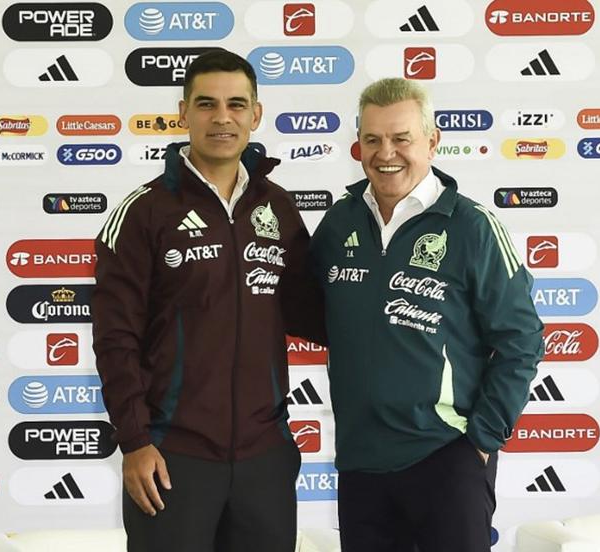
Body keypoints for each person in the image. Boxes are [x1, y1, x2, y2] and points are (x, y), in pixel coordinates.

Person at [92, 50, 319, 552]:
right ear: (183, 112)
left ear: (255, 115)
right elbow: (115, 339)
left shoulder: (278, 206)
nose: (223, 117)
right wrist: (134, 442)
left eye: (237, 104)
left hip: (264, 459)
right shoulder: (142, 212)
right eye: (207, 104)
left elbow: (316, 313)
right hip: (172, 458)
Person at [309, 78, 544, 552]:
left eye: (401, 138)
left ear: (432, 141)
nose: (385, 152)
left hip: (445, 455)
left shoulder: (472, 226)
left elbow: (522, 339)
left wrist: (481, 439)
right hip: (360, 463)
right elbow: (305, 312)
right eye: (372, 139)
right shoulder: (339, 223)